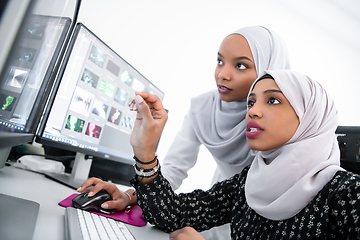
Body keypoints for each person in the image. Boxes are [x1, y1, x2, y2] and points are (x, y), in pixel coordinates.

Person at [78, 25, 290, 239]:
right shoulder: (203, 108)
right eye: (219, 61)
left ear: (268, 72)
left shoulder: (280, 129)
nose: (222, 74)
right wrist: (129, 195)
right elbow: (173, 171)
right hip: (215, 210)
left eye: (241, 65)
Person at [124, 70, 360, 239]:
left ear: (310, 116)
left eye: (273, 100)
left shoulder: (348, 194)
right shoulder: (249, 181)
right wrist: (145, 152)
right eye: (251, 102)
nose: (253, 111)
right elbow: (173, 214)